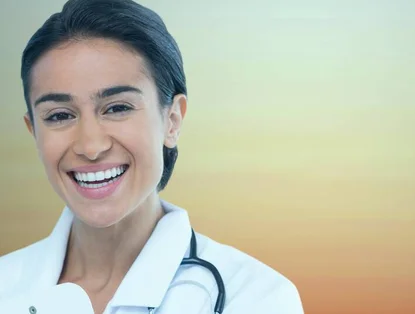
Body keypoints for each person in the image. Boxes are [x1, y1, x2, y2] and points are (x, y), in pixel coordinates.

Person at [0, 0, 304, 313]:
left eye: (117, 108)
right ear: (33, 130)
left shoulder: (256, 297)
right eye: (60, 115)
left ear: (172, 121)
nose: (90, 146)